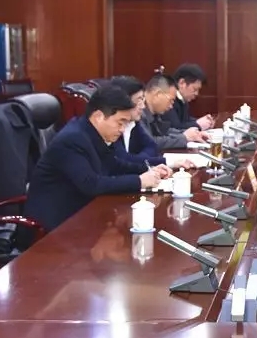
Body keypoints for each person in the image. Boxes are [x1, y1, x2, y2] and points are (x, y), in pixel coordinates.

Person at [25, 85, 165, 231]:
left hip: (81, 214)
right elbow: (91, 184)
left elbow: (114, 165)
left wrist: (149, 169)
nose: (123, 129)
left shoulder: (92, 133)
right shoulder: (73, 139)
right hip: (53, 226)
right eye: (120, 122)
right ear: (99, 117)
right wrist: (140, 181)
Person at [109, 75, 194, 169]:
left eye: (143, 99)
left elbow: (152, 146)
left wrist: (142, 160)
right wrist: (150, 161)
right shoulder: (112, 126)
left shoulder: (134, 122)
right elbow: (124, 160)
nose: (142, 106)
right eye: (139, 100)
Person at [142, 73, 207, 150]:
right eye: (171, 100)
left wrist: (192, 134)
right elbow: (150, 142)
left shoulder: (154, 112)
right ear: (158, 94)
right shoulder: (138, 111)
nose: (171, 106)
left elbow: (164, 131)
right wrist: (184, 138)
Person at [162, 63, 215, 131]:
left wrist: (204, 121)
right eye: (194, 89)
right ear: (182, 83)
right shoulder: (168, 100)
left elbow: (185, 120)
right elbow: (174, 128)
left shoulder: (183, 99)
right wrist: (198, 124)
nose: (196, 94)